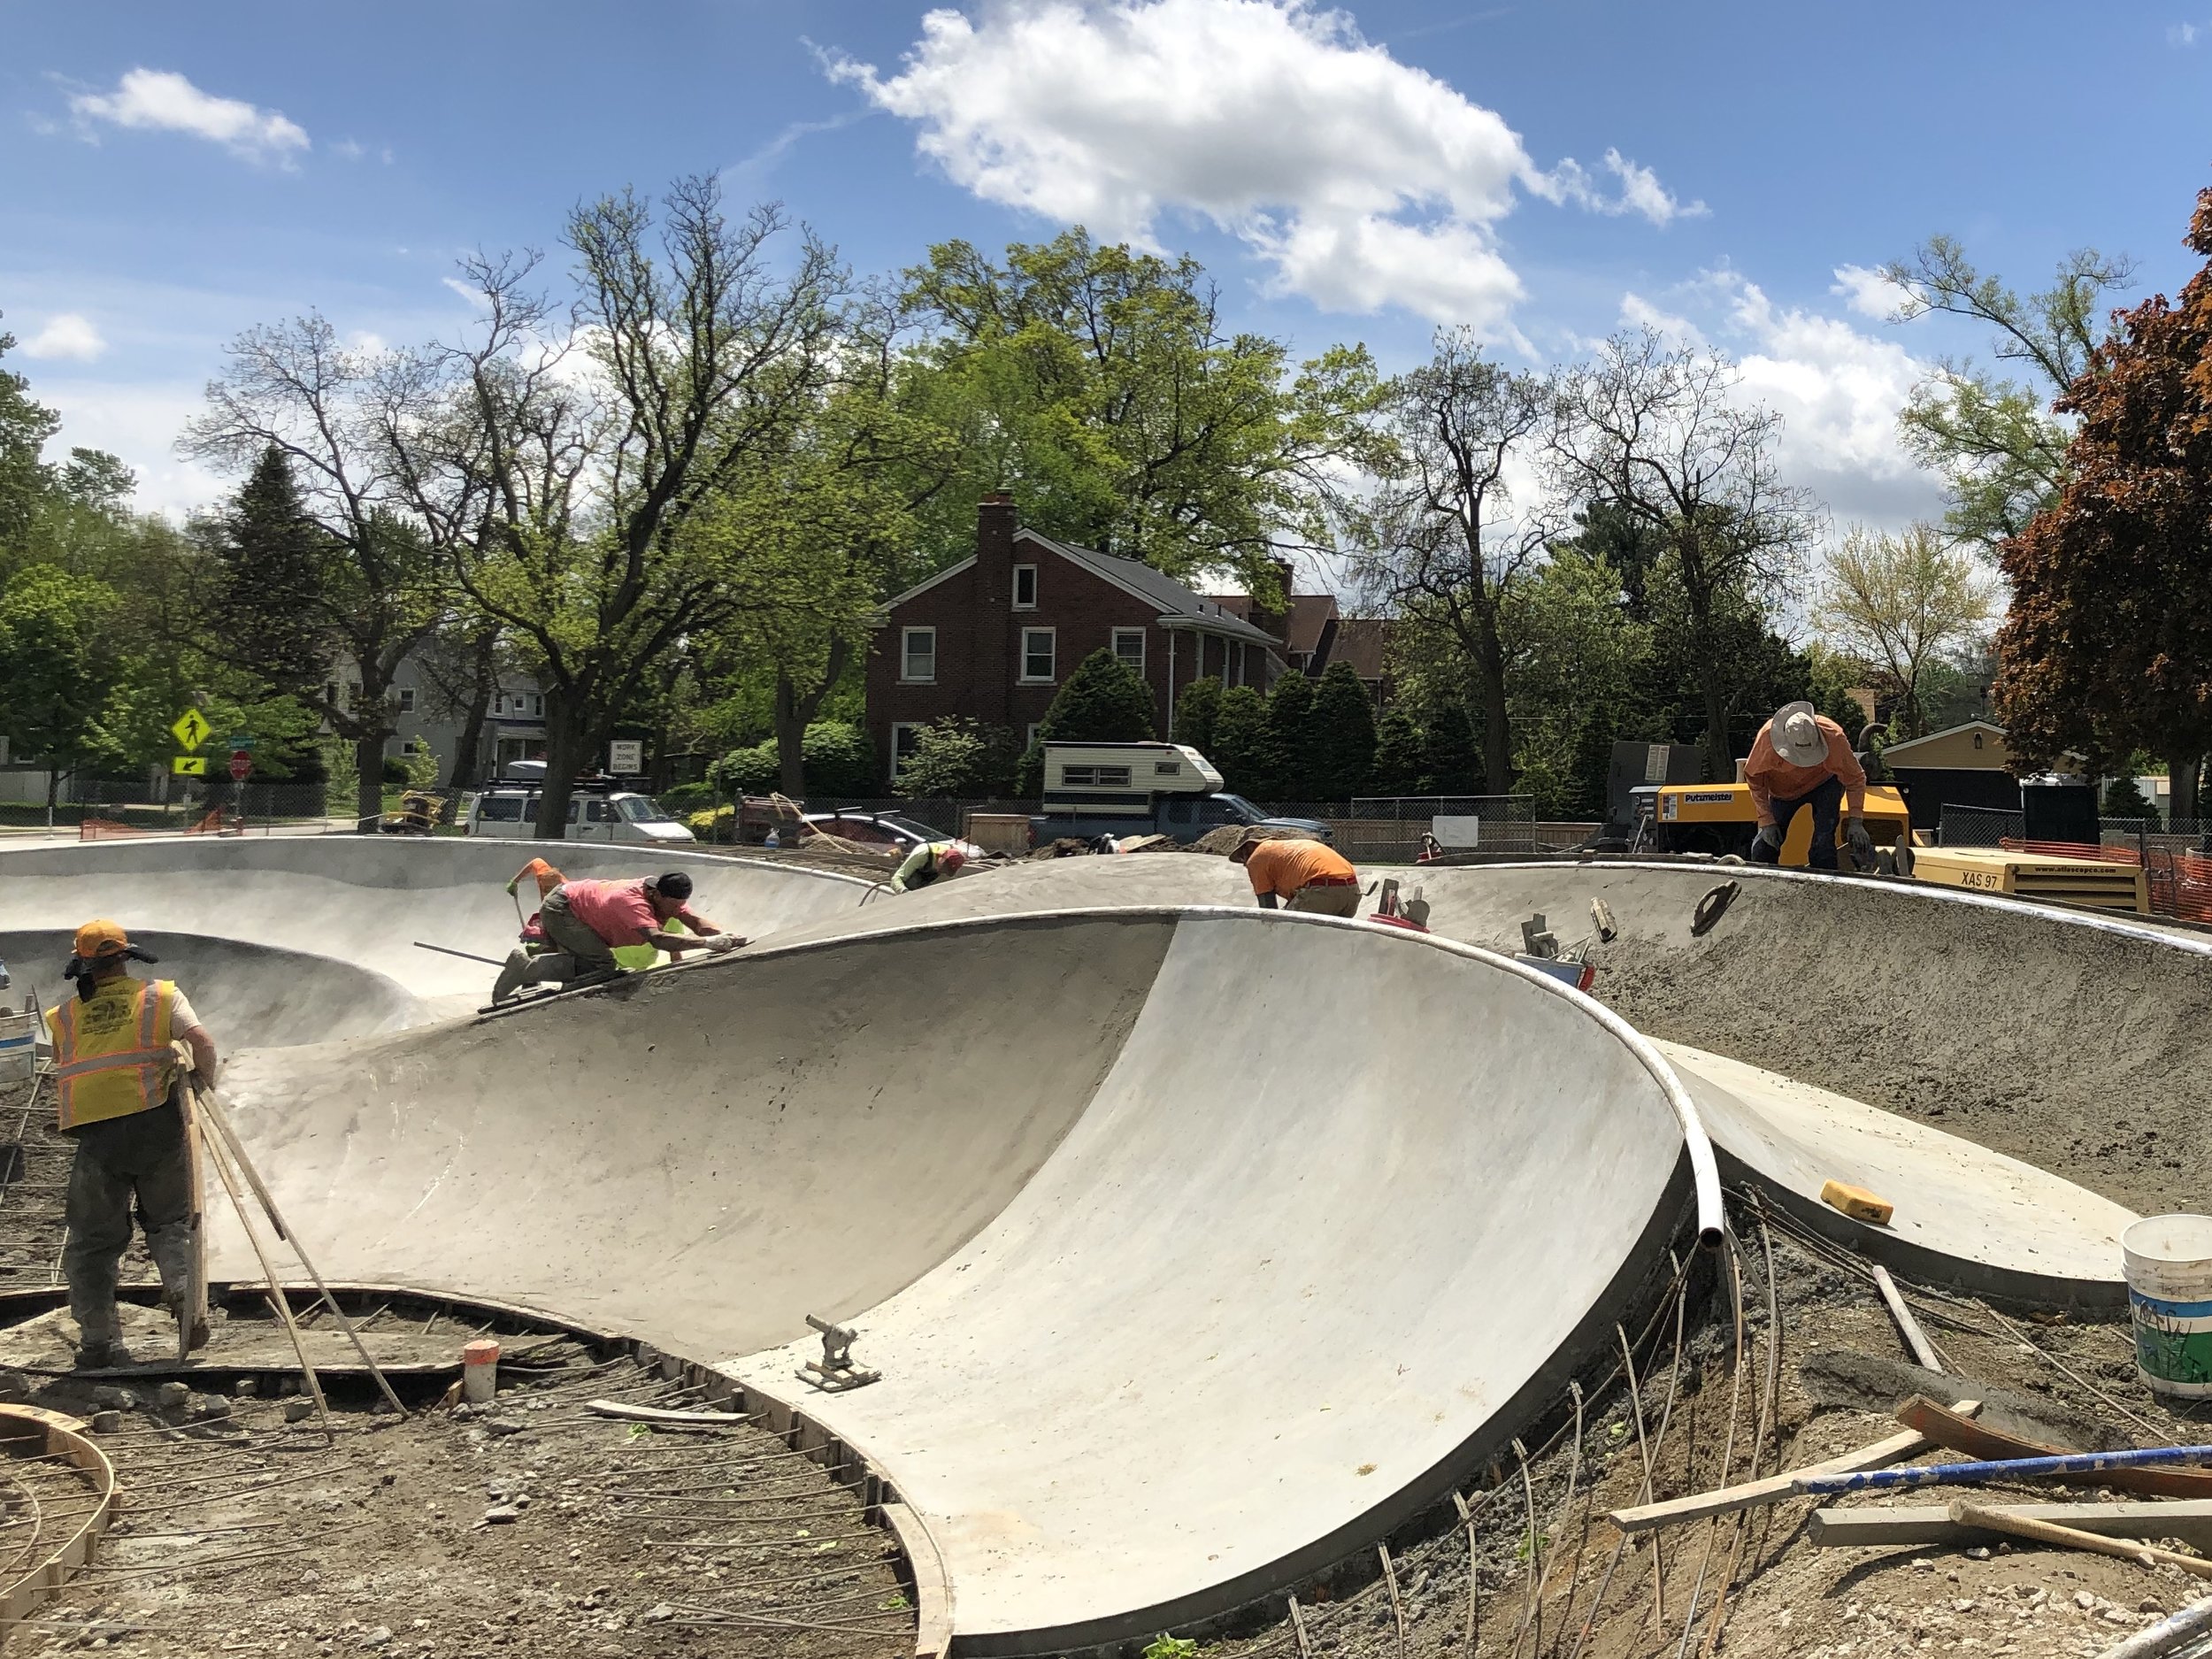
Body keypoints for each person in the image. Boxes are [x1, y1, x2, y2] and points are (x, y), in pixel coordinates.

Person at [46, 921, 217, 1368]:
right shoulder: (161, 998)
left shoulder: (62, 1017)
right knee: (172, 1223)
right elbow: (201, 1042)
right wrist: (203, 1081)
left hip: (96, 1137)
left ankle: (97, 1342)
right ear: (127, 957)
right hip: (157, 1125)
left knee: (92, 1242)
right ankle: (185, 1300)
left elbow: (65, 1063)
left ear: (81, 964)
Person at [491, 871, 741, 1002]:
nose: (677, 911)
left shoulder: (666, 896)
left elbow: (695, 922)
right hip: (563, 908)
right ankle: (525, 969)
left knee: (599, 967)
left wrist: (726, 936)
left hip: (581, 907)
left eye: (681, 905)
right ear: (656, 895)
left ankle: (529, 967)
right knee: (603, 965)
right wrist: (708, 944)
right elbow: (658, 939)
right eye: (673, 906)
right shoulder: (631, 902)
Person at [1746, 700, 1872, 872]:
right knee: (1764, 847)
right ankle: (1762, 884)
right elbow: (1754, 777)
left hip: (1824, 784)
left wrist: (1856, 821)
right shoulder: (1767, 739)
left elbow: (1855, 778)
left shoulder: (1833, 736)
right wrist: (1766, 821)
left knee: (1823, 845)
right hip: (1782, 793)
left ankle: (1824, 886)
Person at [1228, 833, 1363, 917]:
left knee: (1288, 930)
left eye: (1242, 859)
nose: (1245, 864)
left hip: (1322, 891)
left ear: (1246, 850)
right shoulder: (1286, 850)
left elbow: (1268, 910)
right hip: (1352, 891)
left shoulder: (1256, 858)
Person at [889, 840, 968, 894]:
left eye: (946, 871)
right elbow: (896, 879)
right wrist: (906, 893)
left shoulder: (957, 855)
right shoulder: (922, 854)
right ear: (940, 857)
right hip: (908, 888)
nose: (942, 872)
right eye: (943, 868)